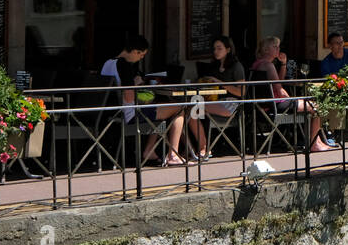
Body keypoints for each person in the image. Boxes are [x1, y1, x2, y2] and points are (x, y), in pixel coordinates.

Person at [100, 35, 189, 167]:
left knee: (160, 112)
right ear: (135, 51)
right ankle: (173, 155)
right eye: (141, 55)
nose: (141, 58)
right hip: (130, 115)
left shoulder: (107, 63)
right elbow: (129, 97)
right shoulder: (124, 64)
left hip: (112, 114)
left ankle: (150, 151)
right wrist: (137, 85)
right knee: (179, 108)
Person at [251, 37, 331, 152]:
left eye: (278, 46)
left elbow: (279, 81)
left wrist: (283, 64)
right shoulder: (269, 66)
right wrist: (292, 98)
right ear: (265, 50)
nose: (278, 49)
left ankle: (316, 141)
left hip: (264, 106)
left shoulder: (258, 64)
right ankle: (314, 143)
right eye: (275, 46)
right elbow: (280, 89)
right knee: (315, 106)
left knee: (309, 104)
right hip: (276, 105)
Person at [184, 36, 246, 160]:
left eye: (219, 48)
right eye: (214, 49)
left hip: (232, 103)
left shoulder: (236, 66)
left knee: (194, 109)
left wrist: (221, 82)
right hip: (214, 101)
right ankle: (196, 146)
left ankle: (204, 148)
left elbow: (241, 92)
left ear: (228, 50)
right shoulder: (214, 66)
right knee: (190, 109)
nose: (216, 51)